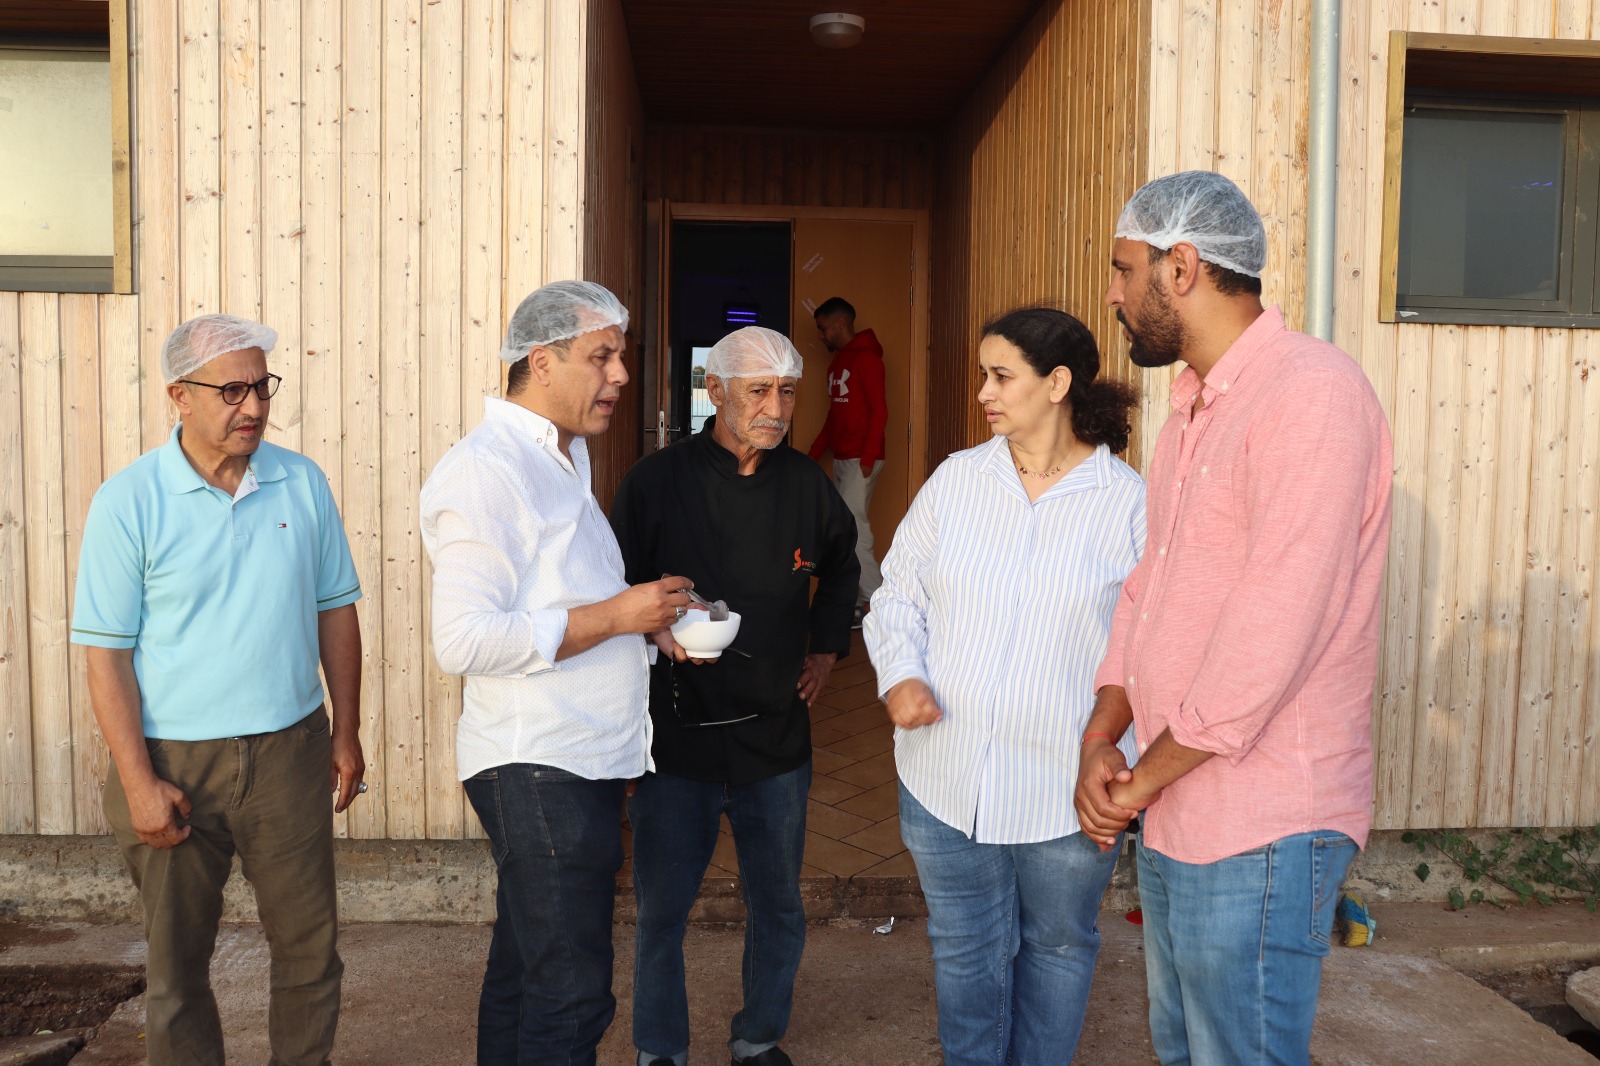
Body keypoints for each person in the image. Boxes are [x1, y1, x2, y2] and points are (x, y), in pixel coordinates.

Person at [1075, 171, 1393, 1065]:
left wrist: (1137, 781)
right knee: (1186, 1050)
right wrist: (1103, 736)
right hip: (1178, 802)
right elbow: (1149, 591)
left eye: (1124, 270)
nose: (1114, 295)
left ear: (1181, 267)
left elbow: (1272, 627)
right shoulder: (1191, 408)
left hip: (1263, 821)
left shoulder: (1311, 394)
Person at [70, 313, 365, 1065]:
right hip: (172, 761)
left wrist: (345, 731)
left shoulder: (301, 481)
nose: (254, 406)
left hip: (290, 751)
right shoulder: (129, 501)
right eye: (232, 390)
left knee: (310, 952)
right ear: (180, 395)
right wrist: (138, 782)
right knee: (176, 969)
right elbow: (106, 656)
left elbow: (336, 610)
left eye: (262, 386)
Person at [420, 281, 694, 1065]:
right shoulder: (488, 470)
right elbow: (464, 640)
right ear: (541, 362)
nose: (620, 376)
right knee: (571, 995)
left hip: (574, 759)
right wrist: (618, 615)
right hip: (540, 764)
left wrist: (646, 627)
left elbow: (561, 601)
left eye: (620, 357)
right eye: (601, 357)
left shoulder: (560, 458)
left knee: (526, 974)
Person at [864, 307, 1144, 1065]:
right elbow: (898, 595)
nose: (984, 392)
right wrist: (901, 673)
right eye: (982, 375)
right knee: (965, 952)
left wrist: (1125, 760)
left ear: (1057, 383)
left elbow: (1149, 648)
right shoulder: (958, 480)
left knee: (1058, 947)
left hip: (1064, 790)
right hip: (942, 779)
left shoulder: (1128, 504)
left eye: (1000, 376)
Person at [611, 326, 859, 1066]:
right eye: (758, 391)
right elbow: (613, 588)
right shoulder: (654, 482)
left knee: (777, 904)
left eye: (787, 391)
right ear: (714, 390)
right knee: (662, 910)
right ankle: (660, 1048)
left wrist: (826, 649)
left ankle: (757, 1038)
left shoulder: (806, 484)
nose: (776, 408)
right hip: (676, 735)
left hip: (774, 734)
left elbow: (842, 566)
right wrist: (650, 633)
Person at [806, 296, 887, 626]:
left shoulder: (867, 359)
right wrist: (813, 456)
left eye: (824, 328)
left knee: (854, 530)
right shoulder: (837, 363)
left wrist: (868, 457)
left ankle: (878, 604)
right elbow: (834, 418)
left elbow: (879, 410)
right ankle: (856, 601)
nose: (822, 335)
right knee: (843, 530)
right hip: (843, 458)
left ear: (840, 324)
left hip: (861, 459)